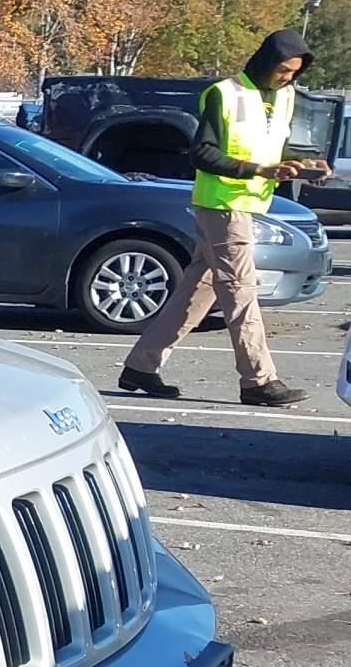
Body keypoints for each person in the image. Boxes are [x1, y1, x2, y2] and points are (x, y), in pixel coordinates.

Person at [118, 30, 328, 406]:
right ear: (265, 61)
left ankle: (141, 367)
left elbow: (276, 146)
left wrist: (302, 162)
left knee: (197, 291)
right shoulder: (224, 94)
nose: (287, 78)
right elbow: (202, 154)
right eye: (283, 70)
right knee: (240, 292)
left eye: (294, 73)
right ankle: (258, 380)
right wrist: (259, 171)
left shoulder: (285, 96)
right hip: (223, 205)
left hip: (246, 206)